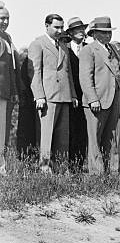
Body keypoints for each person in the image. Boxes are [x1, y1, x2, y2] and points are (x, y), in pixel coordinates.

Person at [28, 14, 78, 172]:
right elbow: (34, 72)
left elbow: (68, 72)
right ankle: (45, 169)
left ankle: (61, 169)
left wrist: (74, 95)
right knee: (47, 134)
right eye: (56, 27)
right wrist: (39, 95)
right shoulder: (38, 44)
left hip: (64, 95)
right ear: (47, 26)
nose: (60, 30)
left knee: (63, 137)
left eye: (61, 27)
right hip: (48, 97)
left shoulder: (63, 46)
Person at [79, 16, 120, 174]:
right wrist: (93, 99)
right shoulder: (88, 50)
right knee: (94, 138)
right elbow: (85, 77)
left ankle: (111, 171)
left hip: (113, 100)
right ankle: (96, 173)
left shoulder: (112, 49)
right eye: (103, 32)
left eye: (109, 32)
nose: (108, 35)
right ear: (94, 33)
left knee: (110, 138)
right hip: (97, 101)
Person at [65, 17, 89, 168]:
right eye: (77, 30)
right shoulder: (64, 48)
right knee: (69, 129)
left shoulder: (89, 48)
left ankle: (79, 166)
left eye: (82, 29)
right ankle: (67, 163)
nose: (81, 32)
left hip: (86, 95)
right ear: (71, 33)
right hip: (69, 95)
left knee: (83, 130)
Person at [0, 3, 19, 175]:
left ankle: (2, 167)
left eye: (7, 18)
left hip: (5, 92)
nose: (5, 21)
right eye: (2, 18)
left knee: (2, 131)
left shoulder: (7, 38)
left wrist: (14, 91)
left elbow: (11, 68)